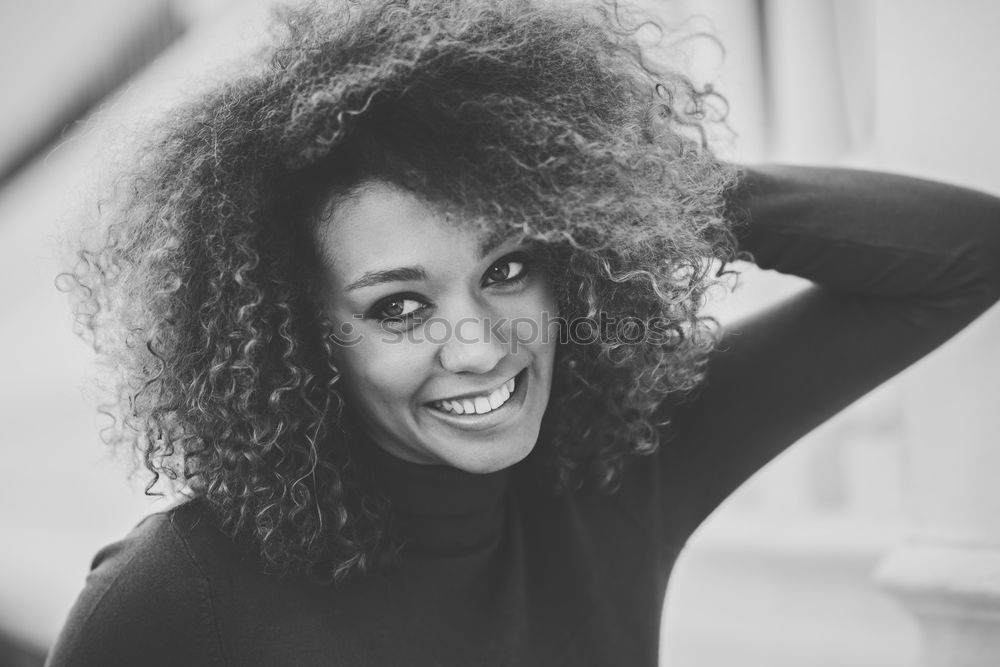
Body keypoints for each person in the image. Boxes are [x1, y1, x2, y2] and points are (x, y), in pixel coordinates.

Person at [46, 0, 1000, 665]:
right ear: (302, 339)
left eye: (507, 268)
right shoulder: (175, 596)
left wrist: (644, 193)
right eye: (398, 305)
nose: (478, 344)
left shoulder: (616, 476)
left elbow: (967, 254)